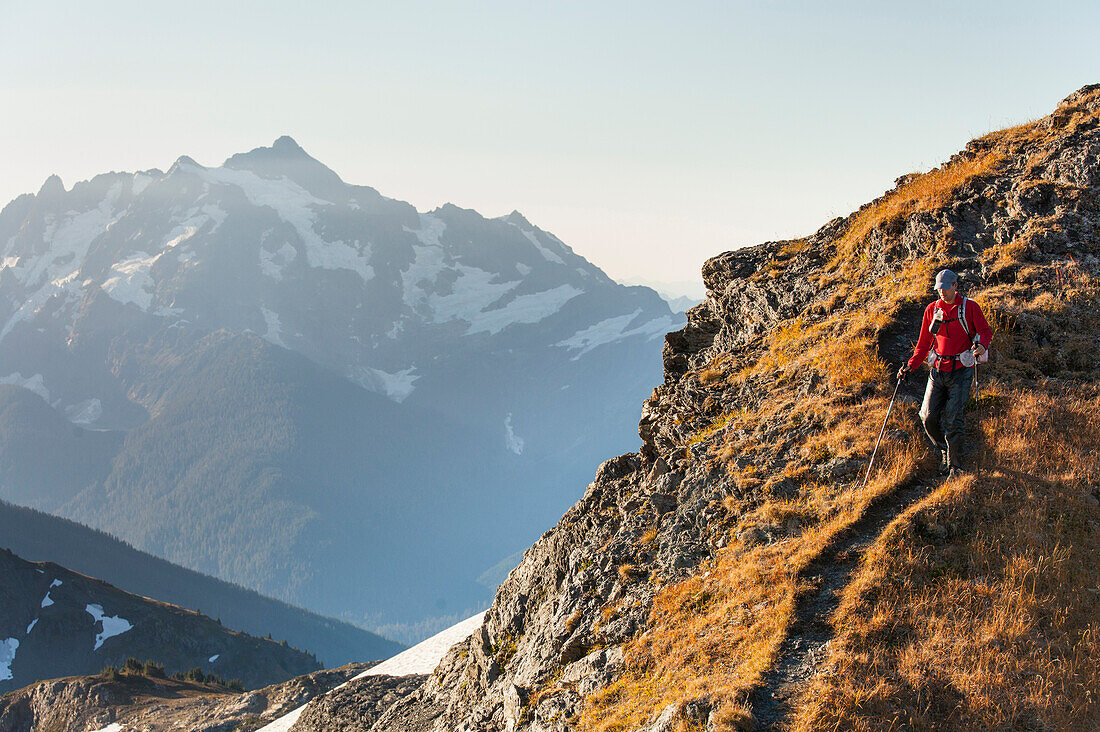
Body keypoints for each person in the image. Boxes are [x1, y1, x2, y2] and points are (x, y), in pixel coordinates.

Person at [896, 269, 992, 477]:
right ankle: (945, 451)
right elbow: (923, 345)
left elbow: (985, 331)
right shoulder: (932, 309)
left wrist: (982, 346)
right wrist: (910, 366)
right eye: (938, 289)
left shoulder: (970, 307)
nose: (942, 292)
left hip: (961, 371)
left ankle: (955, 465)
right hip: (937, 371)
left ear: (955, 286)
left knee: (953, 418)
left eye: (945, 288)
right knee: (927, 416)